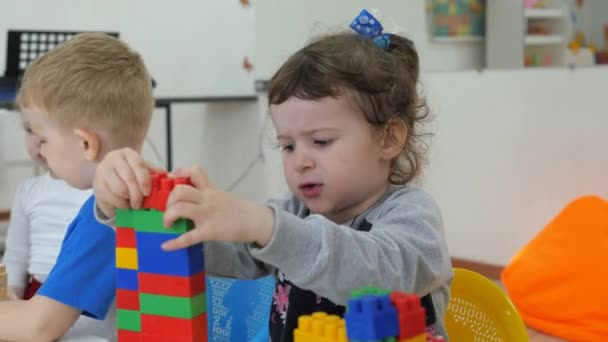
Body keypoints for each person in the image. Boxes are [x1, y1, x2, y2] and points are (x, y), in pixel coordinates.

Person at [94, 10, 452, 341]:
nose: (301, 161)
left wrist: (266, 226)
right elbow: (207, 251)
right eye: (288, 146)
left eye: (321, 141)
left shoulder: (412, 215)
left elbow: (380, 274)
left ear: (388, 138)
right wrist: (137, 207)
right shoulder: (293, 215)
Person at [0, 32, 154, 341]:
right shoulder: (148, 194)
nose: (40, 151)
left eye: (44, 140)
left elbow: (38, 327)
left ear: (86, 143)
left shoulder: (105, 214)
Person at [2, 106, 94, 332]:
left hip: (83, 299)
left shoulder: (95, 190)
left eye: (44, 132)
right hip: (36, 297)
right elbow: (16, 256)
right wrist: (11, 292)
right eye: (29, 130)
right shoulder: (29, 190)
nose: (37, 141)